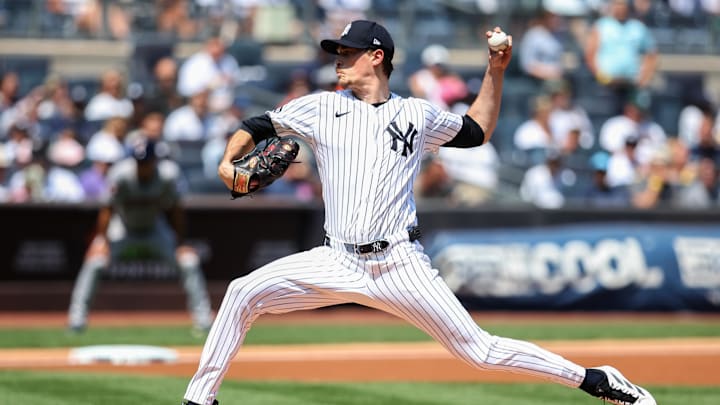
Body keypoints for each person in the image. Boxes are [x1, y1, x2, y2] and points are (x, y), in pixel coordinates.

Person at [181, 20, 656, 405]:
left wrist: (496, 68)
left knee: (481, 352)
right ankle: (199, 401)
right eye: (336, 51)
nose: (338, 59)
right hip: (335, 260)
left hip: (399, 264)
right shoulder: (320, 107)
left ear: (376, 56)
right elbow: (255, 124)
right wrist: (229, 165)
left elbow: (475, 131)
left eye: (347, 51)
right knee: (243, 292)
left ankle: (595, 379)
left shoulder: (417, 114)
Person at [67, 139, 214, 333]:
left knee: (189, 261)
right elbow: (107, 209)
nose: (142, 166)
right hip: (123, 228)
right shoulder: (120, 174)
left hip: (155, 228)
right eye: (139, 162)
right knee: (95, 261)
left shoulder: (168, 175)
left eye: (146, 162)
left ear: (155, 161)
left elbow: (176, 211)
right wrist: (101, 241)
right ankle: (76, 321)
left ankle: (203, 320)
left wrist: (180, 243)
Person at [583, 0, 658, 111]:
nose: (620, 7)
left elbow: (651, 54)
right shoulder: (602, 26)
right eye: (617, 4)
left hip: (631, 85)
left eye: (623, 4)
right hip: (607, 86)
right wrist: (601, 76)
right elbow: (590, 53)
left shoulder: (637, 27)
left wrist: (643, 78)